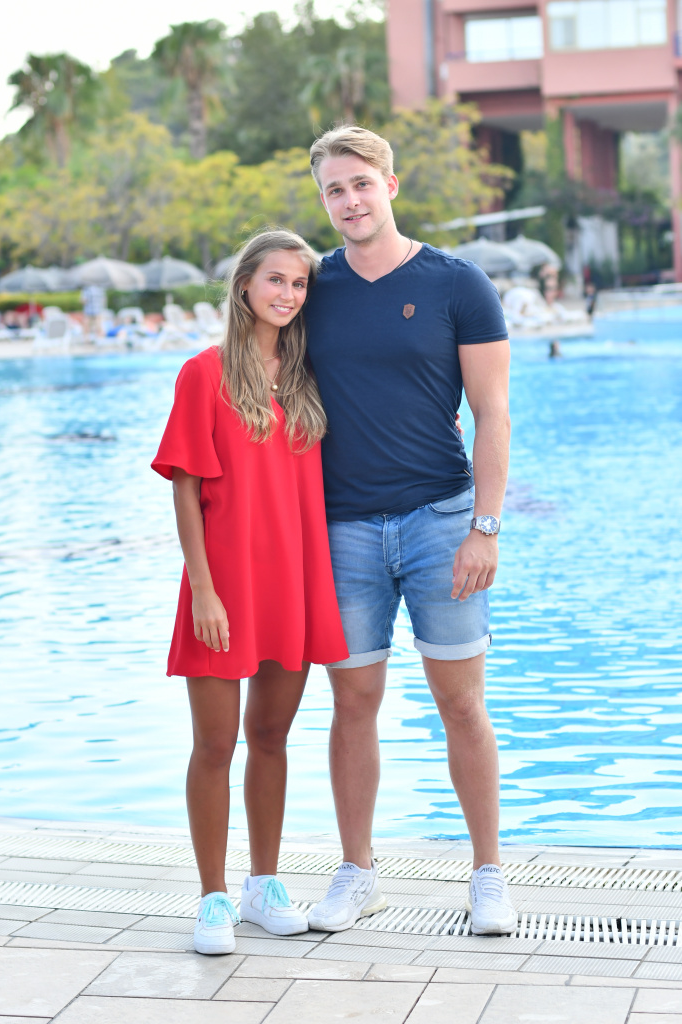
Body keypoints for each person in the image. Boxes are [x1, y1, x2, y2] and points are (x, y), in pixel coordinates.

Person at [303, 126, 516, 937]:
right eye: (334, 189)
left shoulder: (457, 283)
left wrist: (484, 528)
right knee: (352, 702)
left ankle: (487, 874)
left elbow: (491, 413)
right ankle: (357, 873)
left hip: (440, 521)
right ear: (323, 200)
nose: (350, 200)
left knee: (460, 703)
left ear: (389, 185)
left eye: (361, 183)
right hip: (343, 529)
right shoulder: (312, 288)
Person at [151, 229, 348, 955]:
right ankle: (212, 897)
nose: (288, 294)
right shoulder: (203, 373)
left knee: (270, 738)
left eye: (299, 284)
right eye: (276, 280)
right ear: (244, 286)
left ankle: (263, 886)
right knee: (215, 743)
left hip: (292, 581)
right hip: (223, 584)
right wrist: (203, 589)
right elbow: (185, 488)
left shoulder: (308, 377)